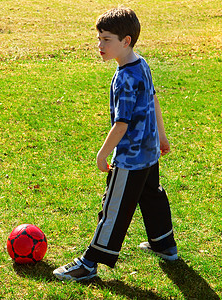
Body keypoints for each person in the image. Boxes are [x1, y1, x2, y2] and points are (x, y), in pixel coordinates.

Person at [53, 7, 178, 281]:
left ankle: (89, 263)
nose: (100, 45)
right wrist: (162, 136)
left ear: (126, 41)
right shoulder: (141, 64)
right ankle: (164, 244)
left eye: (106, 39)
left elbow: (121, 124)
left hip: (131, 158)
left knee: (113, 207)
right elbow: (154, 100)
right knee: (152, 195)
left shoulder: (125, 78)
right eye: (99, 38)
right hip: (149, 152)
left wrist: (103, 153)